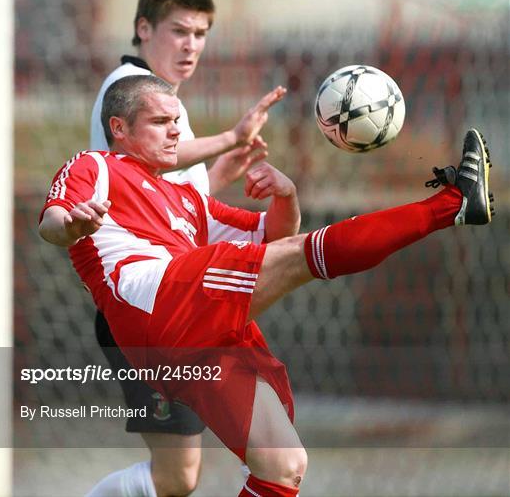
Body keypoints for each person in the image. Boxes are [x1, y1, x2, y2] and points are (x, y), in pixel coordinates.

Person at [39, 75, 495, 496]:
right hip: (156, 304)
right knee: (304, 256)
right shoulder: (96, 165)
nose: (176, 130)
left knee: (283, 465)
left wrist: (286, 196)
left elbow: (274, 239)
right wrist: (72, 224)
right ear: (119, 127)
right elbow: (52, 220)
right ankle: (453, 204)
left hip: (191, 332)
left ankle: (454, 205)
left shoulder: (186, 198)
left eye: (177, 119)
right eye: (161, 121)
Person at [87, 0, 285, 496]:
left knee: (181, 478)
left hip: (176, 304)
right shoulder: (124, 89)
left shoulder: (167, 107)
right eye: (179, 30)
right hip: (150, 309)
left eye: (200, 34)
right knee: (181, 476)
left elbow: (168, 202)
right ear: (143, 28)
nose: (191, 45)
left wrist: (218, 174)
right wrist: (231, 137)